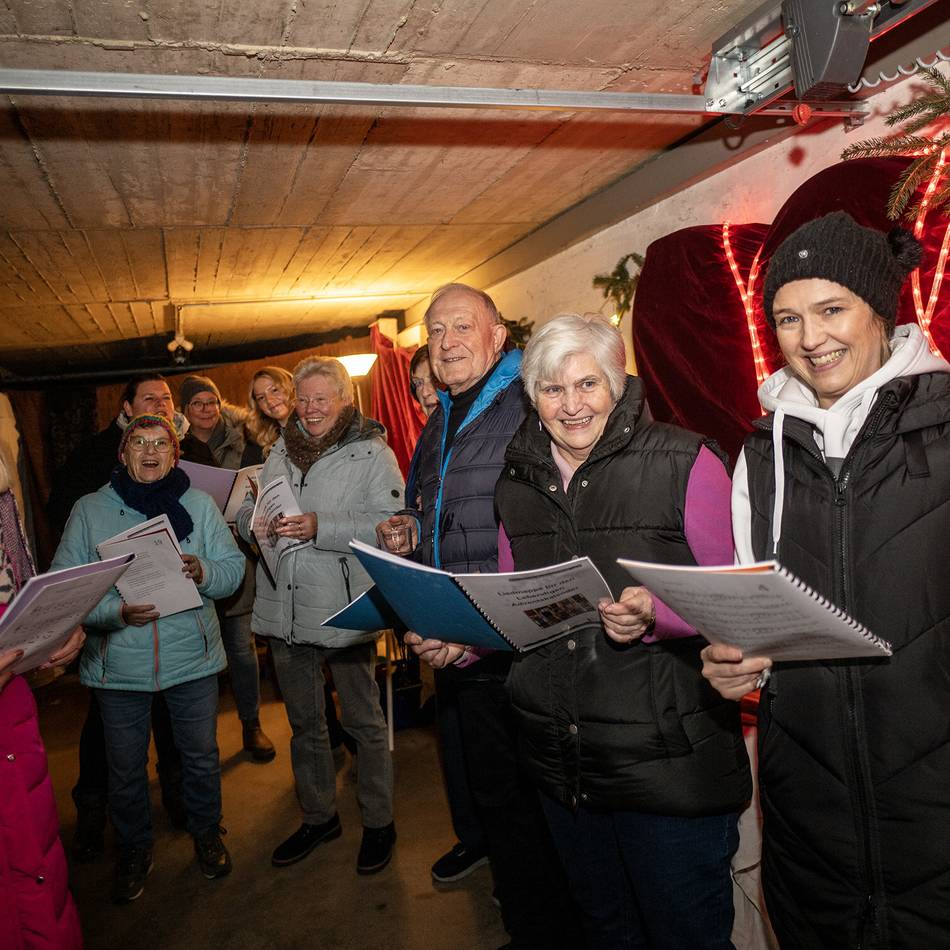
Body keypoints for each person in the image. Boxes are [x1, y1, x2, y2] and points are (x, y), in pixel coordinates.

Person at [700, 211, 950, 948]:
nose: (811, 339)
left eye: (831, 309)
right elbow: (750, 621)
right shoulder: (761, 455)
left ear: (880, 308)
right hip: (811, 815)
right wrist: (731, 664)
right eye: (787, 318)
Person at [491, 313, 750, 949]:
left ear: (616, 383)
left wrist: (655, 614)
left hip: (667, 756)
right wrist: (463, 638)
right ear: (532, 397)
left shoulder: (685, 459)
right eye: (552, 390)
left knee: (684, 934)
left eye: (587, 385)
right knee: (607, 929)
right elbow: (513, 602)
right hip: (563, 757)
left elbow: (735, 602)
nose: (571, 405)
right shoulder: (516, 481)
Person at [382, 284, 579, 948]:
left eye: (462, 326)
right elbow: (429, 506)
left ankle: (557, 928)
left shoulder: (529, 400)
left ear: (498, 336)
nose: (446, 342)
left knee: (542, 801)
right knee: (498, 799)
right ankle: (529, 925)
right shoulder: (440, 419)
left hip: (524, 638)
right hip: (461, 639)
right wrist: (408, 528)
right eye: (435, 332)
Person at [52, 414, 244, 904]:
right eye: (139, 443)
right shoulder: (91, 509)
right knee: (125, 767)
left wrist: (202, 570)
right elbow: (66, 588)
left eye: (162, 443)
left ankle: (206, 831)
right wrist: (115, 612)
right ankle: (134, 847)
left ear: (175, 454)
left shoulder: (198, 505)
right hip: (119, 664)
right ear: (124, 454)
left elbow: (232, 570)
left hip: (191, 658)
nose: (151, 451)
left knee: (201, 757)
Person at [235, 357, 404, 875]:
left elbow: (389, 523)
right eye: (303, 399)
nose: (309, 409)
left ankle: (379, 822)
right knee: (305, 724)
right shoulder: (279, 450)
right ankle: (318, 817)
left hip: (342, 611)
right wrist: (251, 522)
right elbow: (250, 509)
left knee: (363, 722)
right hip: (284, 610)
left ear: (344, 399)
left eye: (320, 399)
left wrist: (320, 525)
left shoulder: (372, 453)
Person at [0, 449, 84, 949]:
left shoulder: (3, 497)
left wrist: (49, 636)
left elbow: (18, 595)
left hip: (14, 710)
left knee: (35, 866)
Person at [180, 375, 275, 763]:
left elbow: (264, 493)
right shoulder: (175, 452)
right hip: (196, 561)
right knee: (200, 648)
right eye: (197, 403)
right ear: (185, 412)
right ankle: (201, 741)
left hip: (238, 557)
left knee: (240, 646)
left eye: (212, 401)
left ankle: (252, 724)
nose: (206, 409)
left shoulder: (247, 444)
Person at [247, 366, 295, 457]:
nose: (269, 400)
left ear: (291, 388)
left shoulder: (318, 428)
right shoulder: (260, 442)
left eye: (274, 390)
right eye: (261, 398)